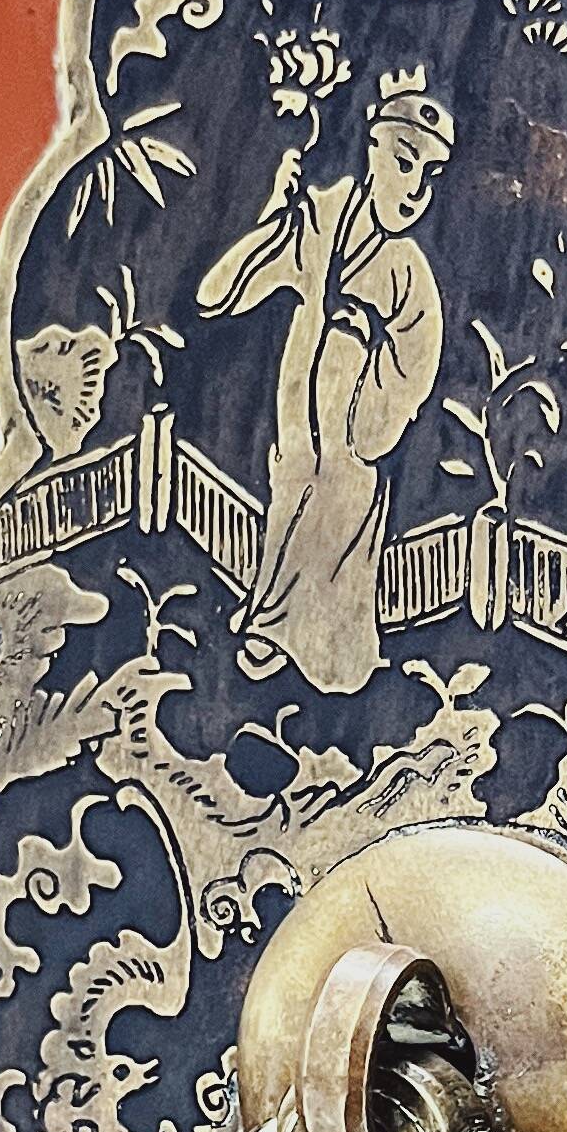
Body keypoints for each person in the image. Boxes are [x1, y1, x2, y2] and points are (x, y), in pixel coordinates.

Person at [195, 70, 455, 694]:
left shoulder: (407, 271)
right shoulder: (320, 218)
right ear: (372, 148)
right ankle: (276, 635)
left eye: (431, 175)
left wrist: (364, 409)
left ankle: (330, 663)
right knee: (292, 505)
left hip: (351, 445)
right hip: (296, 428)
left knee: (337, 528)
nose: (416, 188)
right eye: (405, 161)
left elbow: (415, 365)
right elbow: (218, 295)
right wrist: (271, 222)